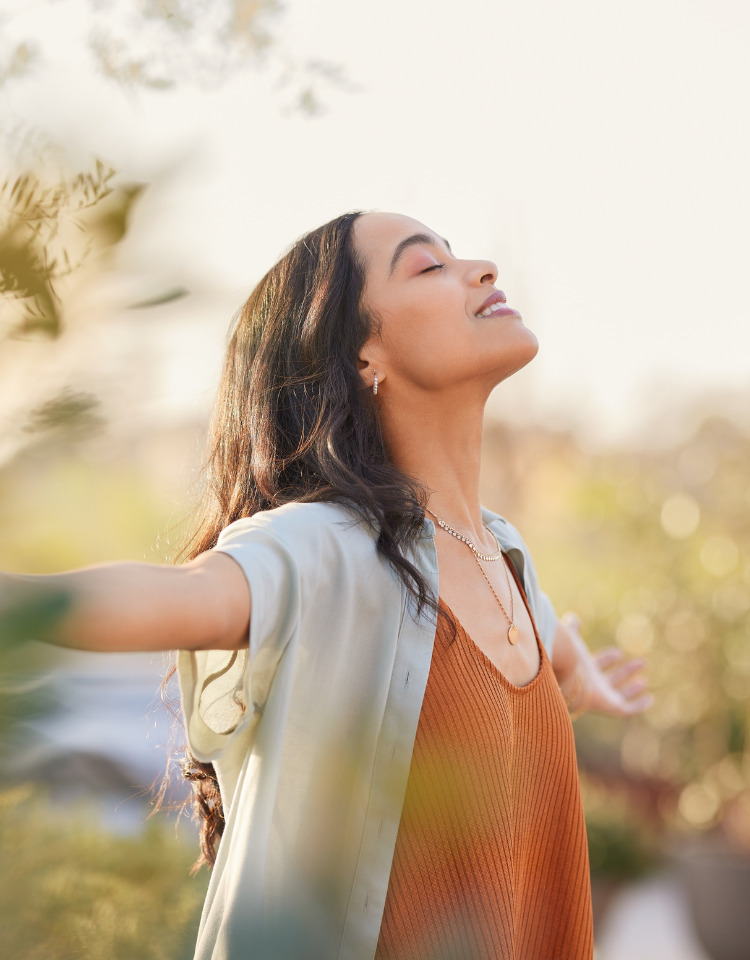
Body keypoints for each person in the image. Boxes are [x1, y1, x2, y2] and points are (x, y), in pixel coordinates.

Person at [0, 211, 652, 960]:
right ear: (363, 354)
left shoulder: (504, 554)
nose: (481, 269)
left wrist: (579, 667)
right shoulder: (327, 547)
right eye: (428, 267)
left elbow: (535, 640)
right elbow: (181, 598)